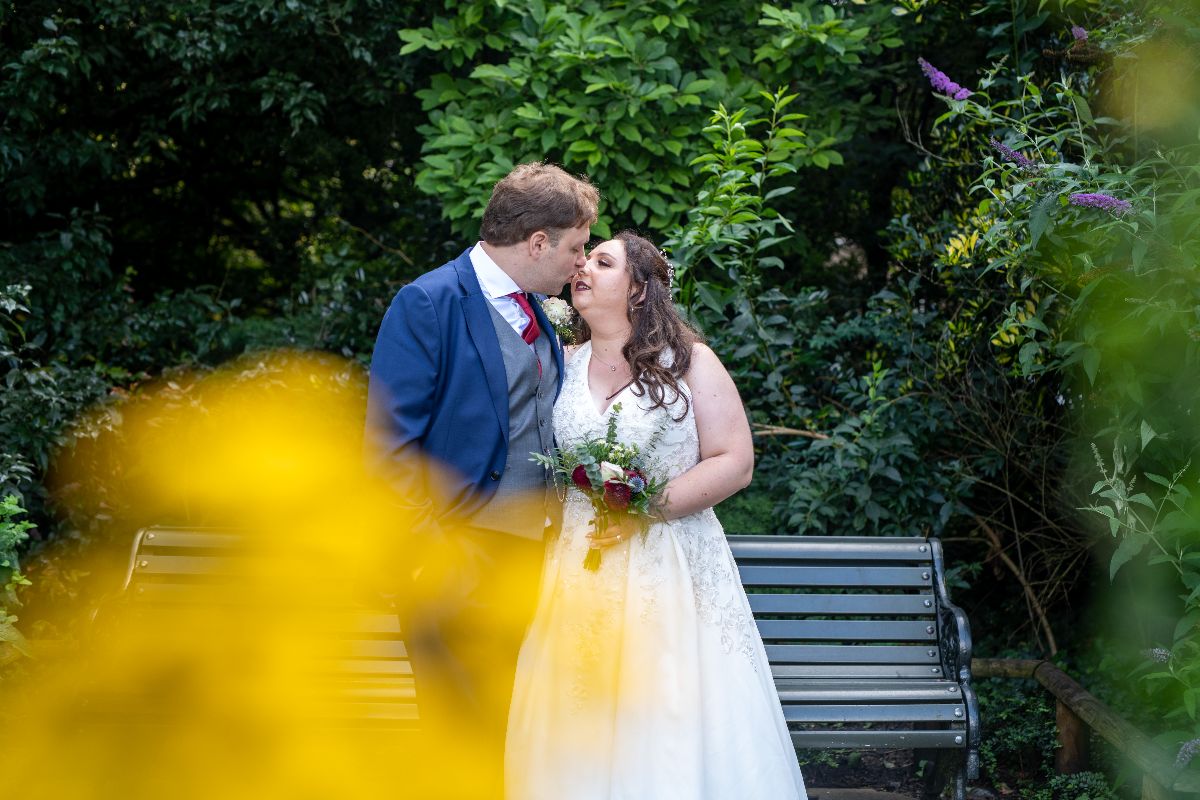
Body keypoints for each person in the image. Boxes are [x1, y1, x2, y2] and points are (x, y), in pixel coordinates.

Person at [504, 231, 808, 799]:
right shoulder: (559, 363)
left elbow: (735, 461)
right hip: (578, 562)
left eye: (603, 262)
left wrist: (644, 510)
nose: (582, 268)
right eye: (584, 259)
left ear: (639, 289)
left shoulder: (689, 363)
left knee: (668, 703)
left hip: (668, 563)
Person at [363, 161, 598, 797]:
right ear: (538, 242)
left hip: (536, 564)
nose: (581, 264)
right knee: (459, 737)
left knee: (513, 730)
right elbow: (387, 448)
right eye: (576, 249)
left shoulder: (539, 311)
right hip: (455, 561)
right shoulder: (429, 302)